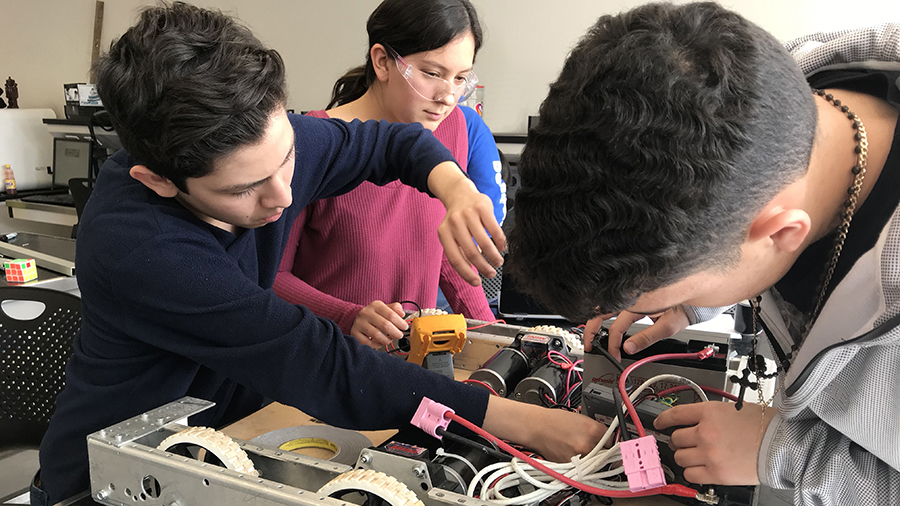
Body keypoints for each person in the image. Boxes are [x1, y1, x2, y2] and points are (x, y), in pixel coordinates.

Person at [32, 3, 604, 505]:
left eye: (286, 161)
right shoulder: (139, 246)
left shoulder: (274, 143)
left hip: (232, 442)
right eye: (243, 189)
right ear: (158, 181)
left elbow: (392, 140)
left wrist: (453, 187)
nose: (283, 196)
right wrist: (519, 422)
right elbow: (313, 359)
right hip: (114, 478)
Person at [507, 2, 900, 505]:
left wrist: (782, 454)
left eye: (652, 298)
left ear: (782, 232)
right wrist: (691, 298)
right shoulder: (756, 115)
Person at [274, 0, 504, 347]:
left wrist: (497, 337)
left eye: (460, 79)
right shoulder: (308, 143)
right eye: (432, 73)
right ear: (382, 61)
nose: (448, 96)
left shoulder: (451, 126)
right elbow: (270, 277)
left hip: (412, 356)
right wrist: (346, 316)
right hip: (326, 355)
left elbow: (441, 253)